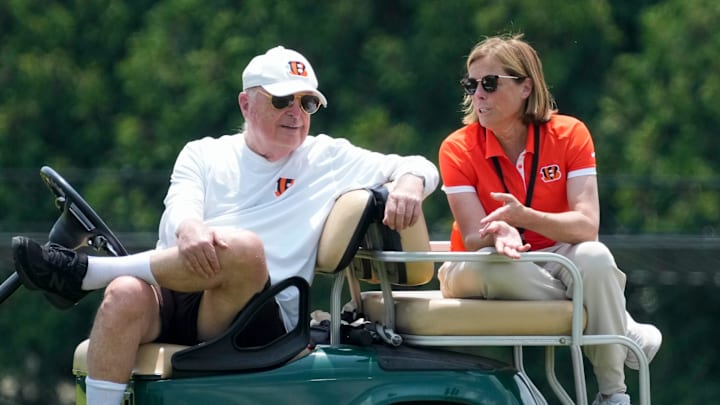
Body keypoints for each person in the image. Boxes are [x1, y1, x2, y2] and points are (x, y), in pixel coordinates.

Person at [12, 45, 439, 405]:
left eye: (307, 103)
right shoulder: (203, 153)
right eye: (281, 100)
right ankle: (95, 283)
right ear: (245, 103)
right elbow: (181, 206)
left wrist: (408, 183)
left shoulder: (327, 157)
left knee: (245, 249)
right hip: (179, 293)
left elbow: (421, 165)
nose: (297, 113)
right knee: (124, 294)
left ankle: (84, 273)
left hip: (259, 314)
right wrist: (190, 229)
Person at [436, 34, 661, 405]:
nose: (478, 94)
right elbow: (475, 236)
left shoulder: (570, 133)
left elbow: (586, 227)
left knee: (596, 257)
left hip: (556, 256)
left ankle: (612, 394)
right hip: (480, 261)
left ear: (526, 86)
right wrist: (501, 230)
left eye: (489, 83)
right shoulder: (457, 146)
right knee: (505, 269)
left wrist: (523, 217)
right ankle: (617, 322)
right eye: (471, 84)